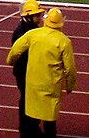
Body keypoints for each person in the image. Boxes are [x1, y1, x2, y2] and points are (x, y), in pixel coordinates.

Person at [6, 7, 77, 137]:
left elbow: (15, 50)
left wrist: (10, 61)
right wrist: (70, 85)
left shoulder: (33, 34)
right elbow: (70, 69)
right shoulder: (64, 42)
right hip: (51, 87)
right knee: (50, 123)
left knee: (31, 120)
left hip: (33, 84)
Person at [11, 0, 46, 137]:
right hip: (25, 73)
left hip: (29, 71)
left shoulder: (30, 29)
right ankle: (27, 130)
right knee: (28, 101)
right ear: (29, 16)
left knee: (30, 101)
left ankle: (30, 128)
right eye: (38, 15)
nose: (40, 17)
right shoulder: (23, 32)